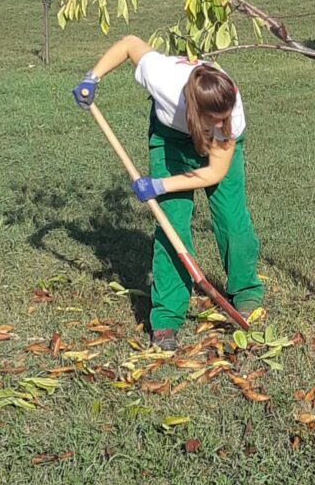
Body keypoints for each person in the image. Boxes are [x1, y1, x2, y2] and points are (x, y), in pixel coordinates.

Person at [72, 36, 264, 351]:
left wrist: (160, 185)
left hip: (219, 152)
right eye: (214, 120)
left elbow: (213, 172)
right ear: (192, 110)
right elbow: (131, 44)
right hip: (171, 140)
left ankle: (245, 291)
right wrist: (91, 79)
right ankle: (167, 318)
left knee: (232, 216)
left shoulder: (230, 115)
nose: (222, 122)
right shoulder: (163, 78)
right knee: (171, 224)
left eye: (224, 117)